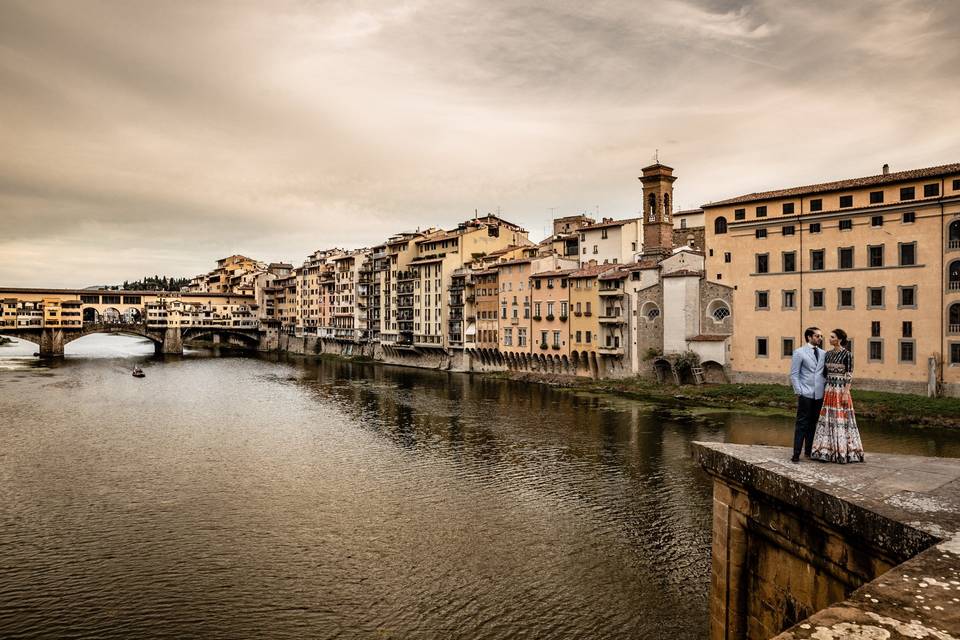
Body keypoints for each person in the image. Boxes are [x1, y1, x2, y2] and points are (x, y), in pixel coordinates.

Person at [810, 329, 864, 463]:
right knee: (828, 419)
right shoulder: (827, 354)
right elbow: (824, 373)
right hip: (829, 389)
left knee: (842, 419)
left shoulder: (847, 355)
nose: (829, 339)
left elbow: (849, 375)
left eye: (832, 337)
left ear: (839, 339)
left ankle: (843, 451)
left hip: (841, 390)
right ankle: (826, 450)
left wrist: (846, 392)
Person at [789, 327, 825, 463]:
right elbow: (794, 374)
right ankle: (796, 454)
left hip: (819, 394)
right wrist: (799, 391)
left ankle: (809, 452)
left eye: (821, 336)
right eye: (817, 336)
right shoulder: (799, 352)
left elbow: (823, 374)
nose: (820, 338)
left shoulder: (823, 353)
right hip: (805, 393)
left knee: (813, 424)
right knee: (801, 424)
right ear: (809, 337)